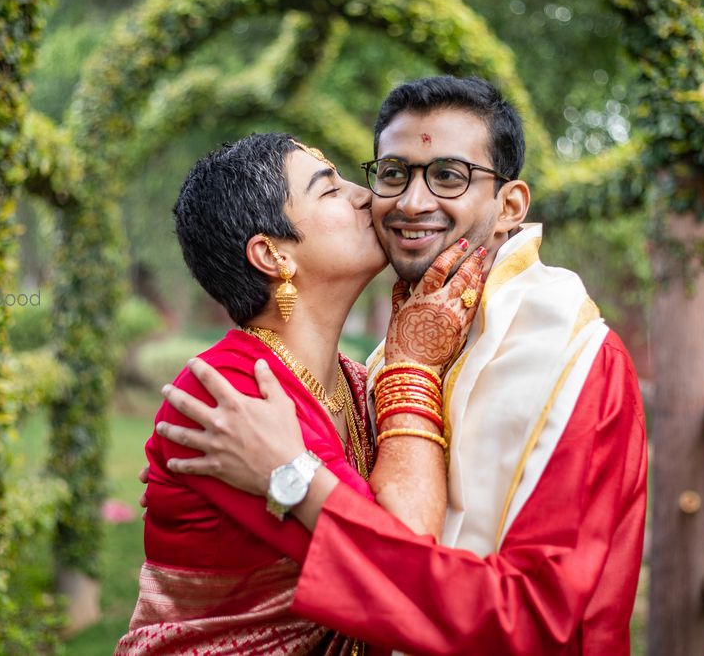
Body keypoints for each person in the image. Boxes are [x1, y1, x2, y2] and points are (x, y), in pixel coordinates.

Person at [152, 76, 649, 655]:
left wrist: (290, 474)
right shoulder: (255, 390)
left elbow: (545, 619)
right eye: (390, 174)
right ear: (272, 254)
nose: (399, 203)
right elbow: (400, 544)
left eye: (448, 176)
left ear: (509, 205)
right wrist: (410, 368)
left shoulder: (573, 358)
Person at [116, 132, 485, 655]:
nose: (366, 196)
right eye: (329, 190)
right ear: (271, 254)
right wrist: (413, 367)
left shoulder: (353, 383)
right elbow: (406, 569)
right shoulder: (225, 394)